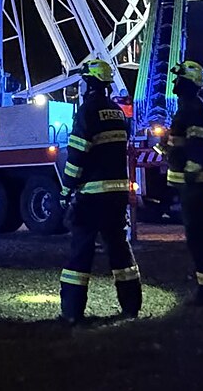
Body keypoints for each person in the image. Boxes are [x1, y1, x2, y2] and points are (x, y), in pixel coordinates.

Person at [59, 57, 141, 325]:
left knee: (81, 252)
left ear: (89, 83)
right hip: (117, 196)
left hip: (92, 196)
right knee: (120, 251)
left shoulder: (87, 112)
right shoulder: (117, 113)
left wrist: (66, 189)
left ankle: (72, 312)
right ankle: (131, 306)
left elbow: (77, 155)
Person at [166, 59, 203, 305]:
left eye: (178, 79)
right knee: (198, 237)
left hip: (195, 184)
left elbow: (197, 143)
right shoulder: (189, 107)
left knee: (199, 238)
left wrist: (191, 169)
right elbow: (183, 142)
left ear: (188, 83)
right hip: (193, 183)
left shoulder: (193, 108)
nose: (174, 83)